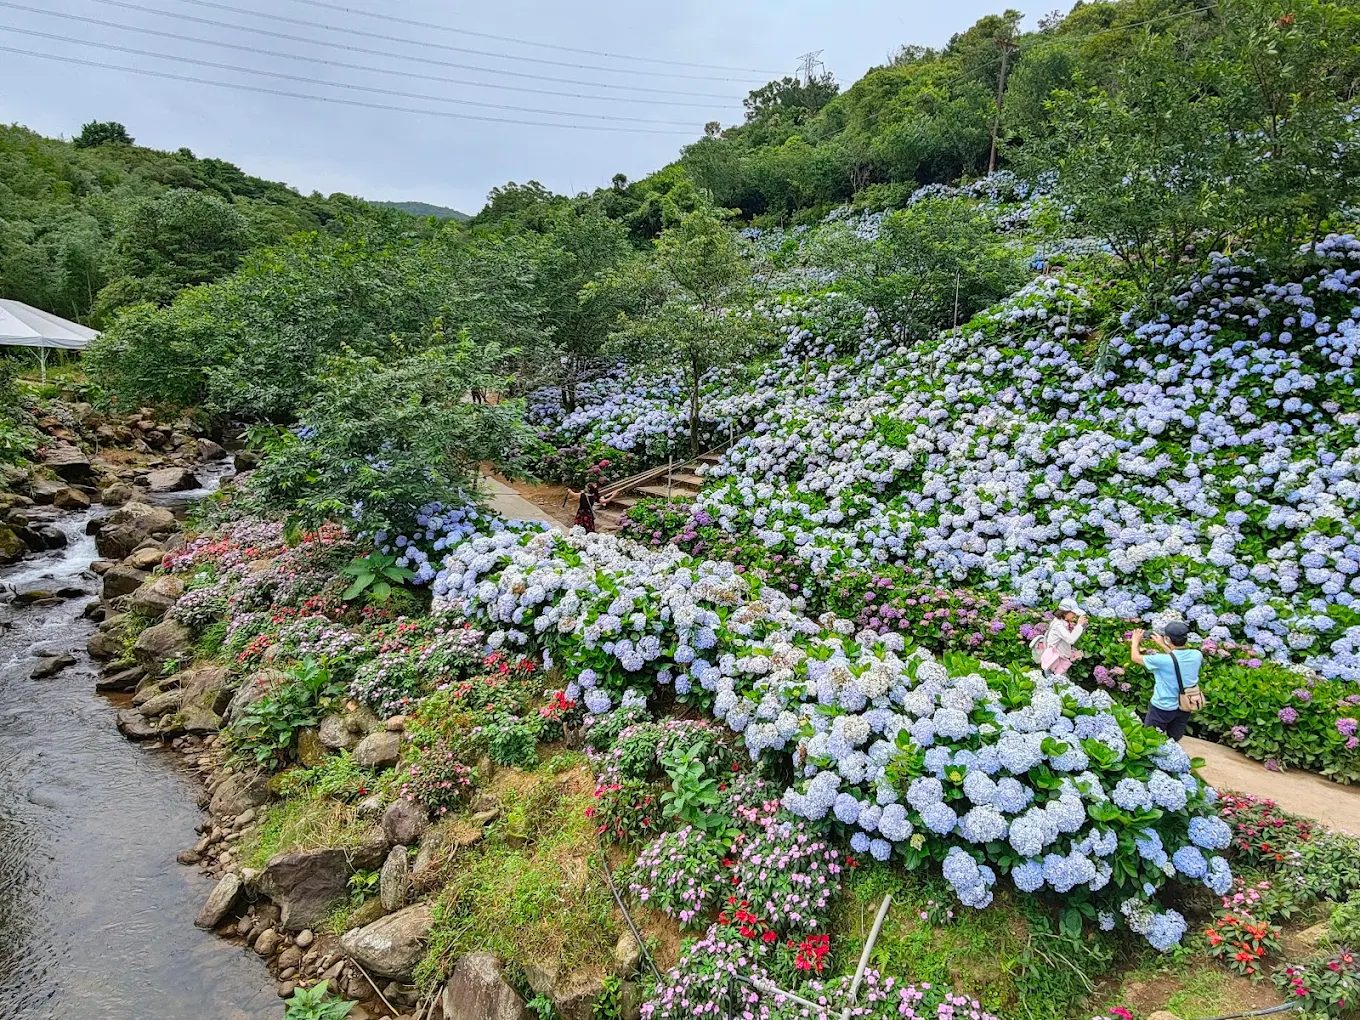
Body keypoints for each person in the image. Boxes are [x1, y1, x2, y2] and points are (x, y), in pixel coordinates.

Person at [1131, 619, 1203, 741]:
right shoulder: (1197, 655)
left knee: (1151, 739)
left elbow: (1135, 657)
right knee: (1173, 739)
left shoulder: (1161, 660)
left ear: (1168, 639)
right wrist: (1163, 645)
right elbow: (1176, 659)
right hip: (1184, 705)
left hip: (1162, 707)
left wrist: (1135, 640)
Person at [1030, 597, 1087, 676]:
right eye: (1073, 613)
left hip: (1059, 659)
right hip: (1054, 661)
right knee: (1055, 680)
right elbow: (1071, 639)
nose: (1075, 615)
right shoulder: (1058, 625)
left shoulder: (1061, 622)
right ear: (1064, 613)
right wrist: (1079, 625)